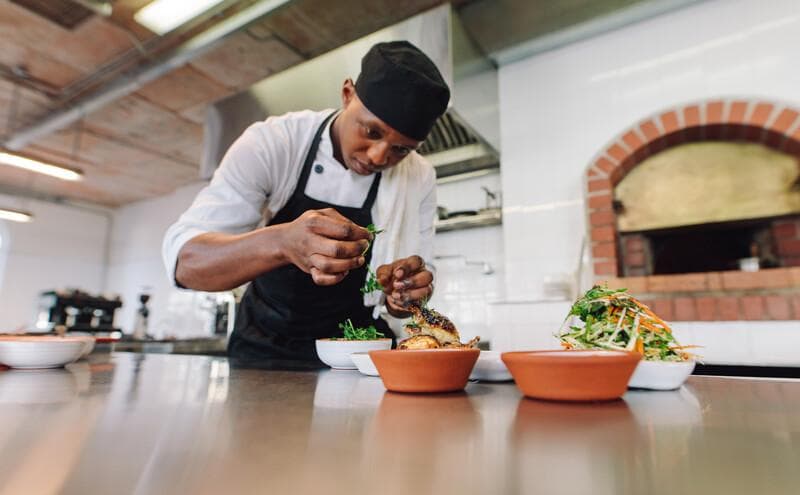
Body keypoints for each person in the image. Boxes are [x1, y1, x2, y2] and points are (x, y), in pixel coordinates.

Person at [162, 41, 450, 365]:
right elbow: (186, 264)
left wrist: (406, 295)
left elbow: (417, 283)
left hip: (359, 352)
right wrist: (282, 242)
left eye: (401, 150)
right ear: (347, 94)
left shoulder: (420, 177)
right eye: (370, 131)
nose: (378, 156)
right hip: (264, 349)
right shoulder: (274, 144)